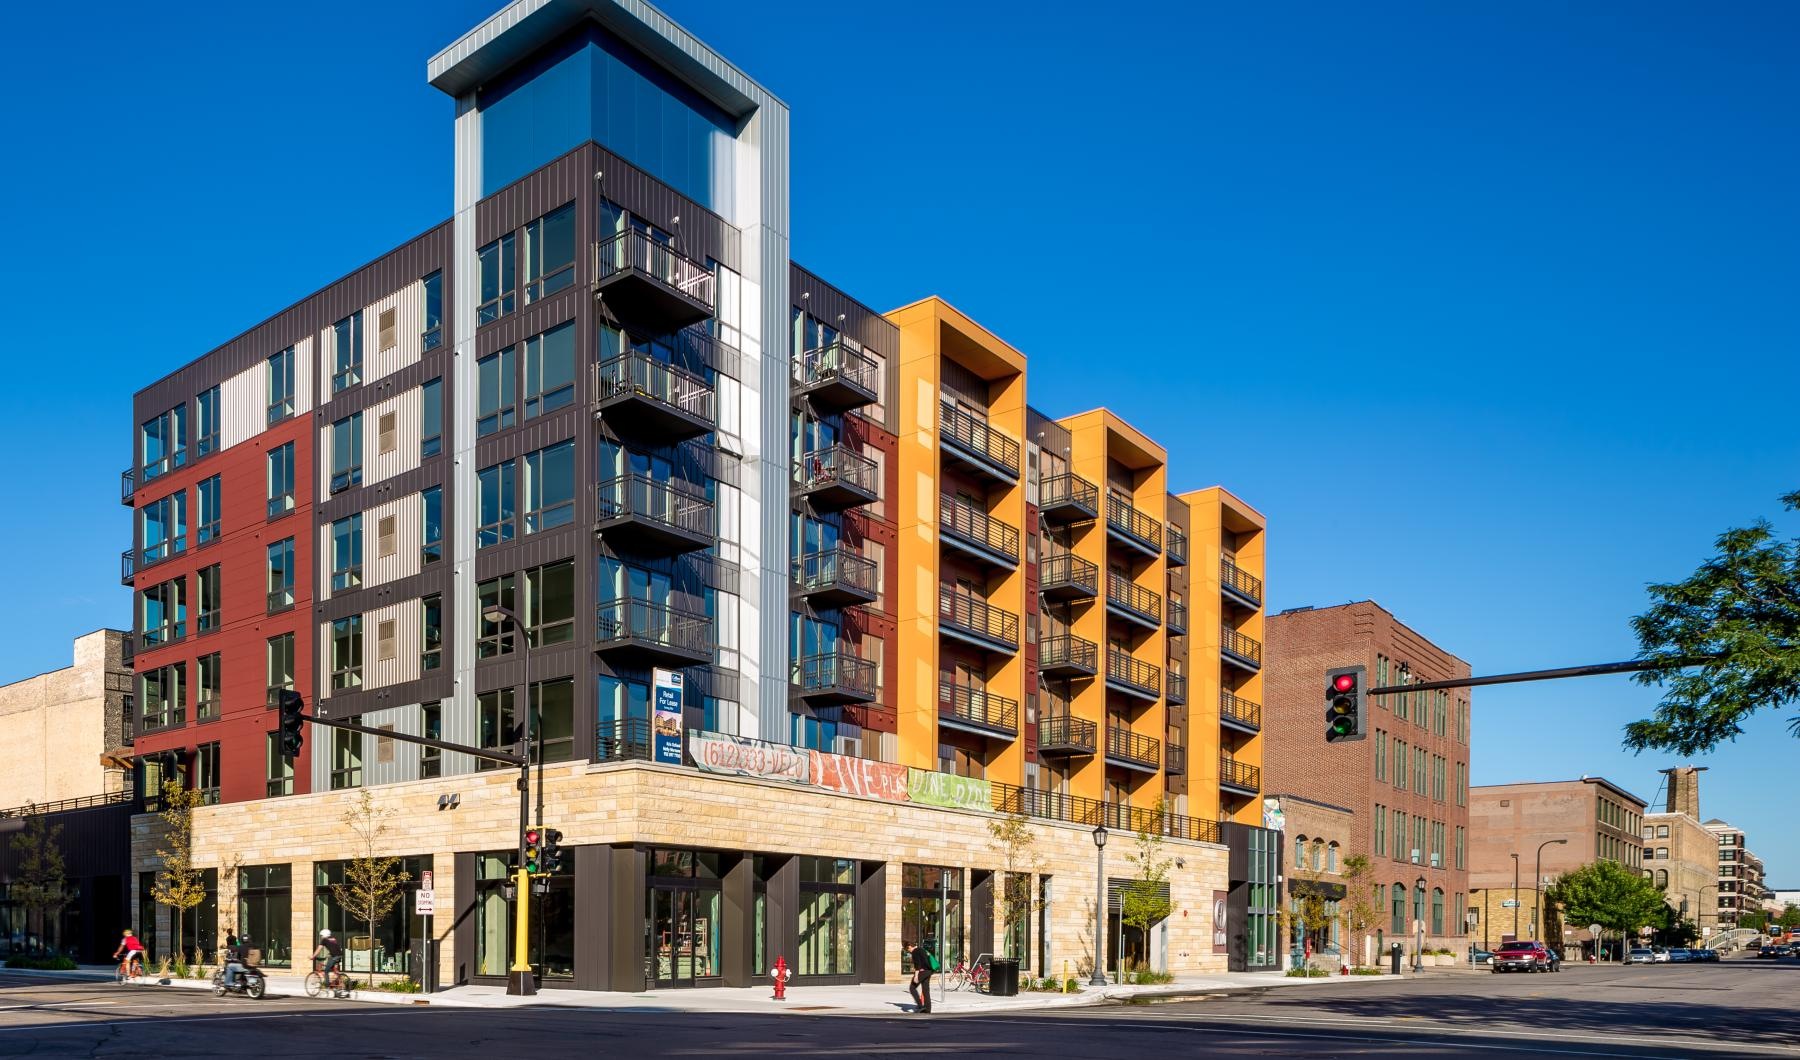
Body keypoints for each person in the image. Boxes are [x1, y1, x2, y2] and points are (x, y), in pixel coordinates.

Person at [314, 929, 347, 997]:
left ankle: (327, 987)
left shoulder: (324, 940)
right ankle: (337, 984)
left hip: (334, 956)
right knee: (333, 969)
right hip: (339, 955)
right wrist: (329, 955)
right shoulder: (333, 939)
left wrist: (313, 956)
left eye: (321, 936)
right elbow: (334, 948)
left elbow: (319, 949)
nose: (321, 937)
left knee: (326, 971)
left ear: (324, 935)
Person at [908, 938, 935, 1014]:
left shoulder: (915, 952)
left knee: (912, 987)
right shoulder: (922, 949)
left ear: (910, 946)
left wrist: (916, 976)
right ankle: (928, 1009)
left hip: (922, 972)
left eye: (908, 948)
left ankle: (921, 1006)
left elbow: (918, 965)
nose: (908, 950)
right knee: (926, 990)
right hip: (929, 971)